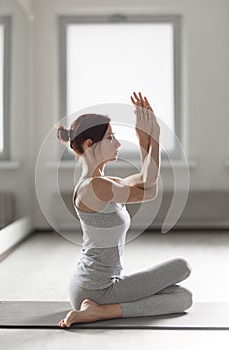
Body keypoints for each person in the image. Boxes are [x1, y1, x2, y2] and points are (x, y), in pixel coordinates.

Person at [56, 92, 192, 328]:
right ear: (90, 144)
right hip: (99, 287)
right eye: (111, 137)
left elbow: (149, 188)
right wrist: (153, 136)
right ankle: (99, 312)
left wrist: (145, 139)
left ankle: (100, 309)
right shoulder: (97, 187)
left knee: (181, 295)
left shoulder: (101, 183)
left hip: (92, 284)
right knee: (183, 269)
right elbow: (149, 184)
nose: (117, 143)